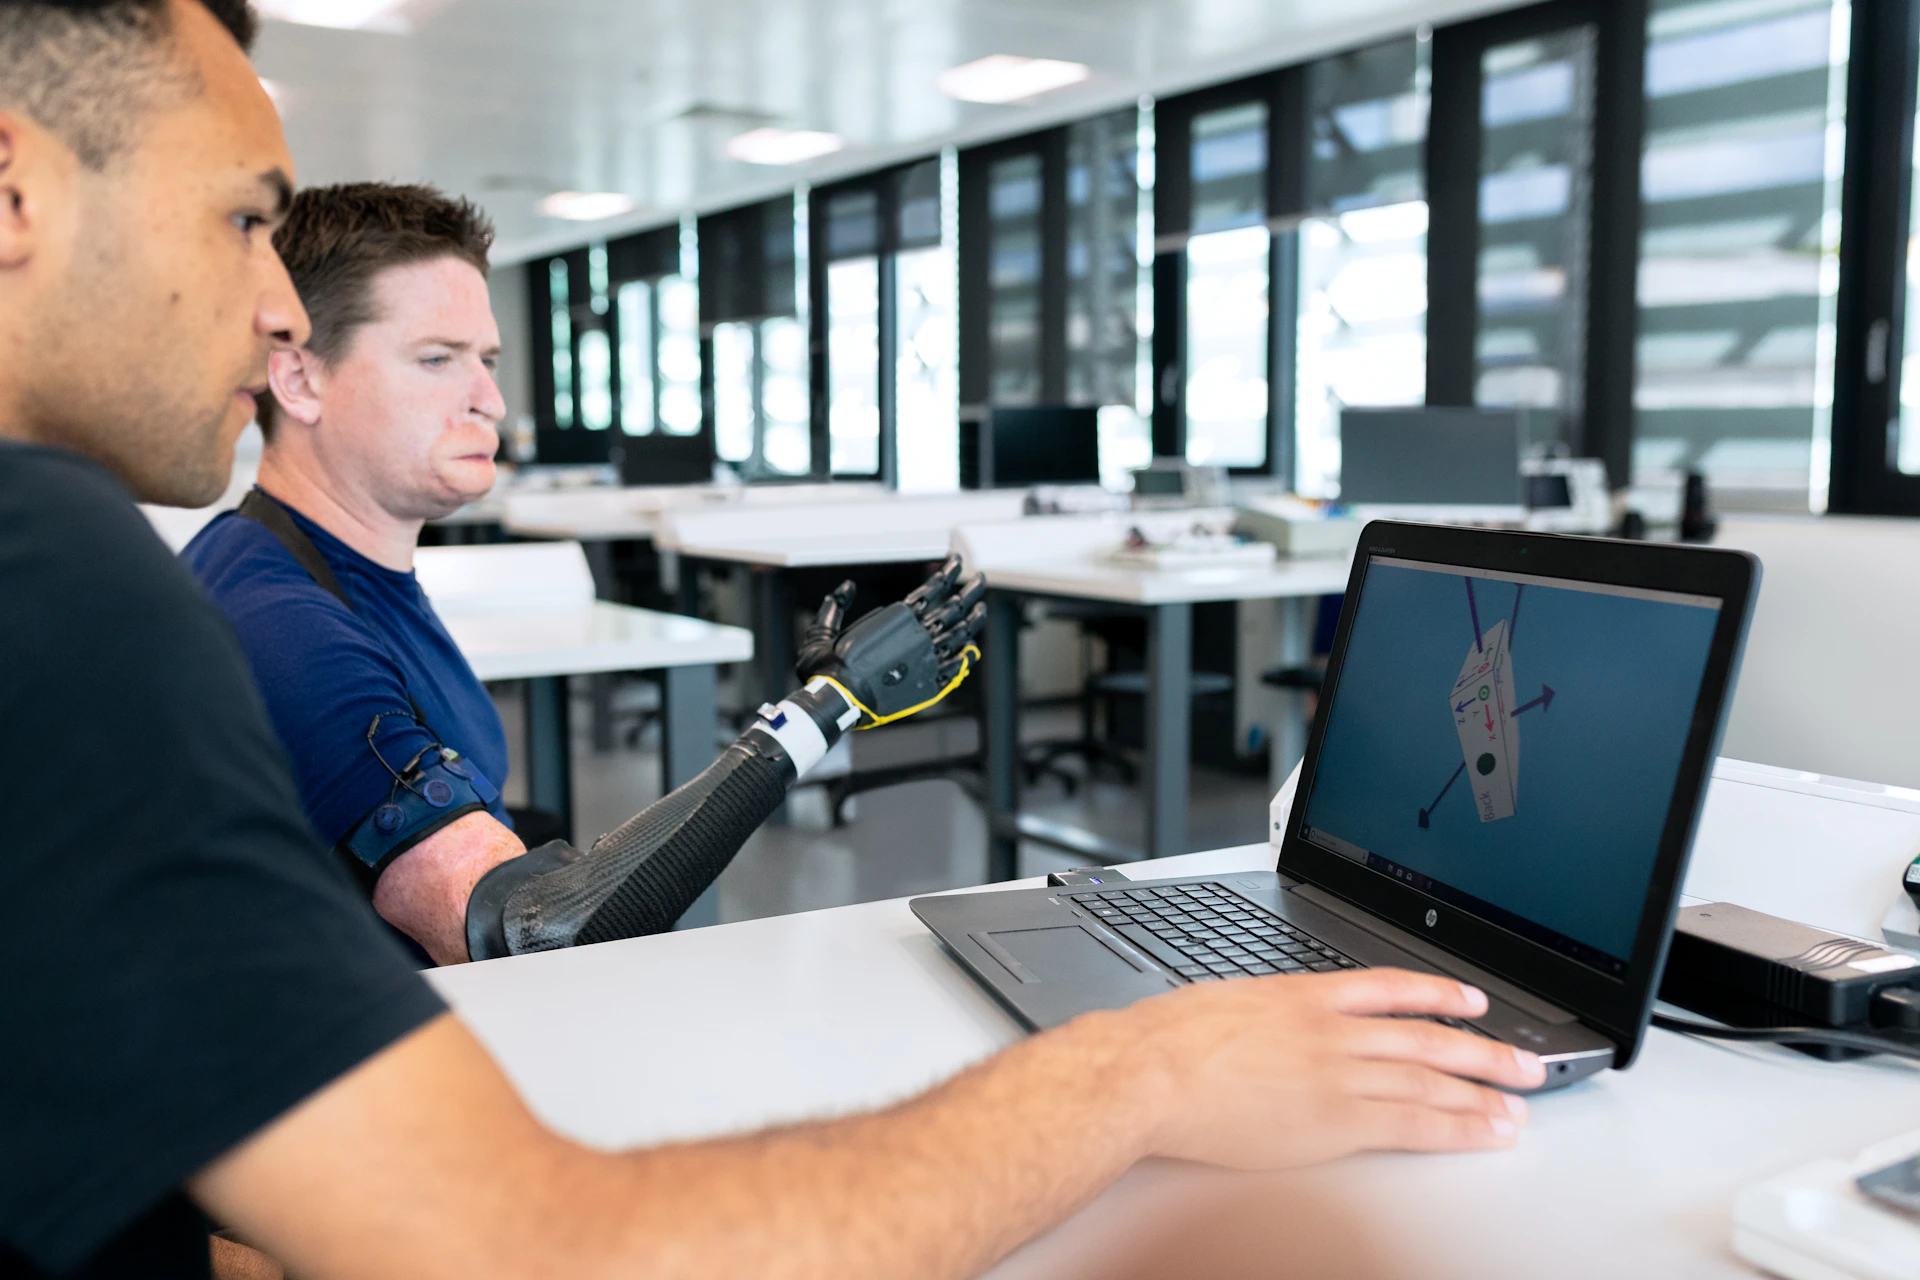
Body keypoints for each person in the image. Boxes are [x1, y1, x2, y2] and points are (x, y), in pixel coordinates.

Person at [0, 3, 1546, 1278]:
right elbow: (527, 1130)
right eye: (242, 216)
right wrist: (1141, 1066)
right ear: (13, 195)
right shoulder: (84, 584)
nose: (274, 307)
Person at [181, 179, 987, 967]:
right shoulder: (282, 627)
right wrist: (823, 711)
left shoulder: (342, 564)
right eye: (437, 359)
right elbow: (531, 930)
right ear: (299, 378)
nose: (490, 400)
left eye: (488, 360)